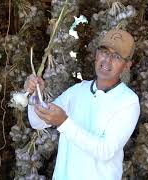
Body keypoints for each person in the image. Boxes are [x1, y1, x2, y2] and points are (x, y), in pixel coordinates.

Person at [24, 29, 140, 180]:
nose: (107, 60)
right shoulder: (78, 91)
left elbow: (105, 151)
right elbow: (37, 122)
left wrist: (63, 122)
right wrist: (35, 93)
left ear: (126, 65)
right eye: (104, 52)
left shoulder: (128, 102)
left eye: (116, 56)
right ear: (96, 55)